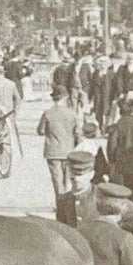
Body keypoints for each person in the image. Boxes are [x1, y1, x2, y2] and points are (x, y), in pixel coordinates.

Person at [36, 83, 81, 218]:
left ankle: (60, 207)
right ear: (66, 98)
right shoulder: (72, 113)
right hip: (68, 151)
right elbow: (78, 132)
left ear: (53, 98)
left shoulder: (48, 113)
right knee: (68, 181)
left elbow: (40, 131)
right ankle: (68, 206)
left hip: (53, 152)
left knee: (57, 181)